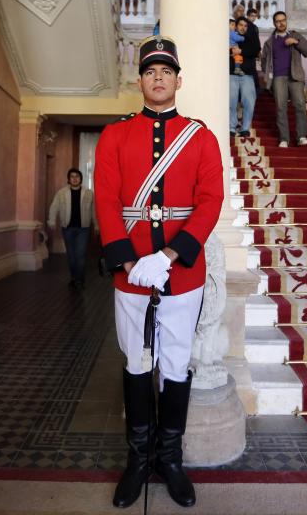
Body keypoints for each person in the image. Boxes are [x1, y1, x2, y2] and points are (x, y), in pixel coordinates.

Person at [95, 35, 224, 509]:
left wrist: (169, 255)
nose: (158, 79)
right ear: (140, 80)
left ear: (178, 80)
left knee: (174, 364)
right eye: (150, 71)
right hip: (130, 272)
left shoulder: (201, 136)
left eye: (166, 72)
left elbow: (211, 201)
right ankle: (137, 460)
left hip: (182, 272)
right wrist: (128, 260)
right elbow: (106, 200)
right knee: (135, 362)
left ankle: (170, 460)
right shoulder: (115, 135)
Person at [260, 10, 307, 147]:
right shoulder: (269, 42)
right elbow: (264, 60)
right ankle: (284, 138)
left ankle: (301, 136)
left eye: (283, 20)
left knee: (300, 105)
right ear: (274, 23)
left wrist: (296, 42)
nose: (281, 23)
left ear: (286, 21)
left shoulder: (295, 35)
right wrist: (268, 77)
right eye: (278, 21)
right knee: (280, 108)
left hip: (295, 76)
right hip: (278, 77)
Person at [47, 168, 97, 289]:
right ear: (69, 179)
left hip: (83, 229)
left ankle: (79, 280)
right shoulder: (61, 193)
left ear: (81, 179)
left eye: (77, 176)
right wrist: (52, 220)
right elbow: (54, 207)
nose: (75, 179)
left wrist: (97, 225)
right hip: (67, 228)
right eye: (72, 177)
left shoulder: (89, 193)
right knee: (71, 255)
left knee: (80, 255)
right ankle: (74, 277)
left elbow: (94, 211)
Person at [230, 17, 261, 138]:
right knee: (230, 102)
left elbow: (255, 50)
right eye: (240, 25)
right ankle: (231, 127)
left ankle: (245, 128)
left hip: (247, 74)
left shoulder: (252, 38)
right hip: (231, 74)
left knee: (249, 102)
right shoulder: (230, 37)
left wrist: (240, 51)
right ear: (236, 26)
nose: (243, 27)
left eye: (245, 25)